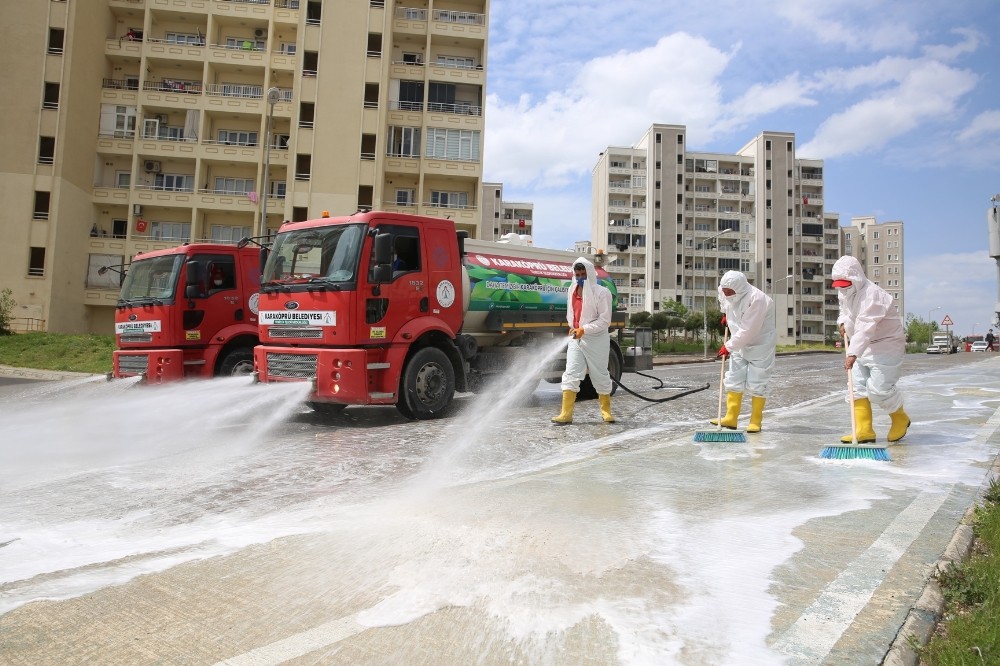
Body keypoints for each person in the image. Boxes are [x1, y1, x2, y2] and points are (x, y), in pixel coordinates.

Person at [832, 255, 909, 443]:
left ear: (856, 278)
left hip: (885, 345)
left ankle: (900, 418)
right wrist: (842, 322)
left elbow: (866, 327)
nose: (842, 287)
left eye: (845, 283)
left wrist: (852, 354)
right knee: (856, 387)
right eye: (839, 284)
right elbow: (844, 310)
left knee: (879, 390)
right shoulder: (845, 290)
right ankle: (864, 430)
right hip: (861, 346)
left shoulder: (872, 295)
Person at [551, 257, 615, 425]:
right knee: (571, 373)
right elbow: (571, 313)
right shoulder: (572, 290)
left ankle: (606, 411)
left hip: (596, 339)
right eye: (577, 274)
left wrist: (584, 329)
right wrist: (573, 326)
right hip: (577, 339)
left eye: (583, 274)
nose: (580, 277)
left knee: (599, 374)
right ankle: (566, 414)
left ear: (591, 274)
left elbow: (604, 321)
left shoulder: (602, 293)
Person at [711, 271, 776, 433]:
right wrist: (725, 314)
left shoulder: (758, 299)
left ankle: (755, 421)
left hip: (760, 344)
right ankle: (730, 418)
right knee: (734, 377)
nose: (726, 294)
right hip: (738, 342)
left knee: (757, 381)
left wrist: (728, 346)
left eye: (729, 292)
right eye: (724, 291)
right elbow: (725, 302)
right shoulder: (724, 290)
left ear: (739, 289)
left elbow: (749, 330)